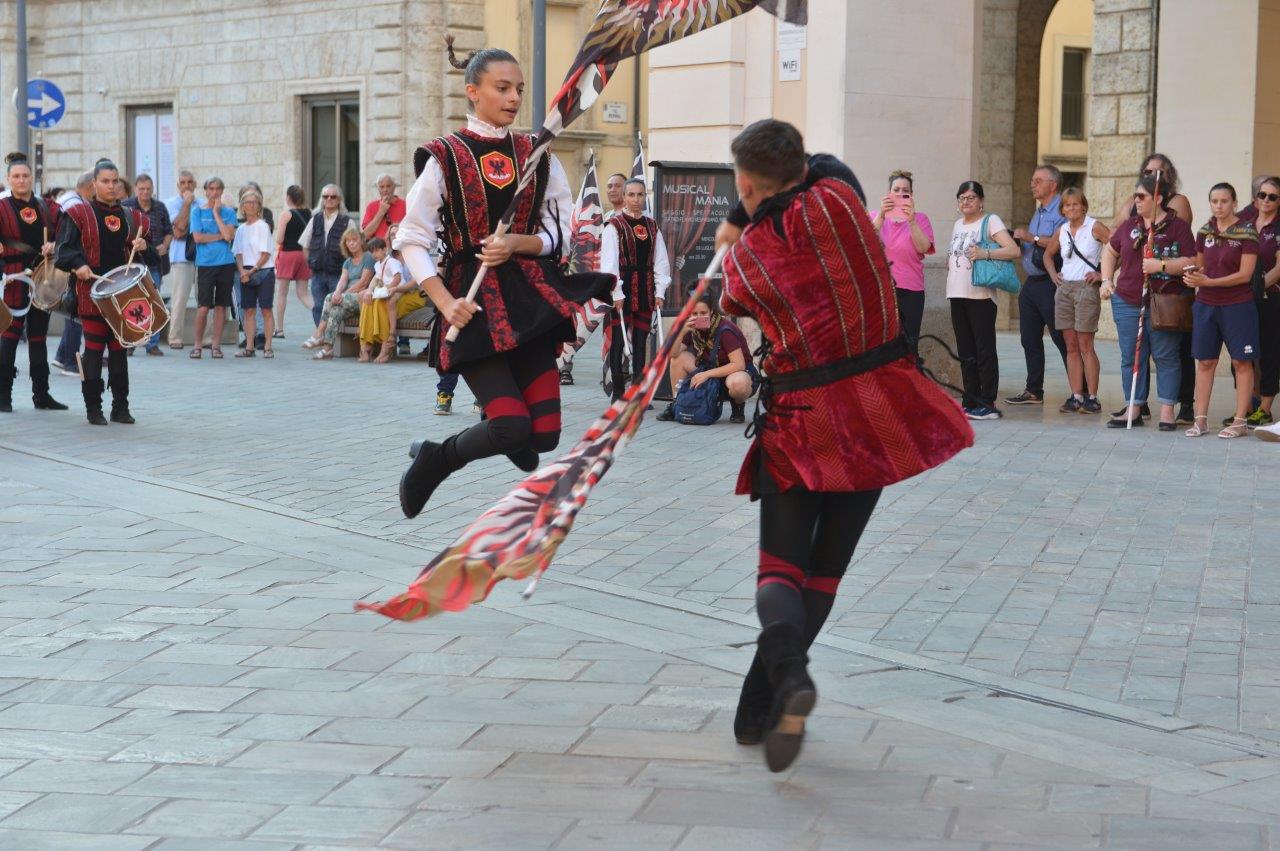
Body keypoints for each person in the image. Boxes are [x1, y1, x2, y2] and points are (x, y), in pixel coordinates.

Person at [715, 119, 972, 773]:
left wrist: (737, 225)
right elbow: (825, 164)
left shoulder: (747, 261)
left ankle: (789, 676)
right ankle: (762, 706)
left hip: (804, 420)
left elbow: (733, 302)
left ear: (747, 184)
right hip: (878, 411)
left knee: (779, 572)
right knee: (825, 571)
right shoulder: (841, 199)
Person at [393, 36, 611, 520]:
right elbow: (411, 237)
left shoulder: (538, 153)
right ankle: (436, 459)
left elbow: (560, 235)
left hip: (529, 304)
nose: (514, 98)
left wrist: (516, 243)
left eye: (519, 89)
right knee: (513, 429)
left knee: (545, 436)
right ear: (473, 92)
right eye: (502, 88)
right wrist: (444, 302)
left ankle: (498, 432)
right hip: (471, 308)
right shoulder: (444, 156)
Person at [53, 159, 150, 425]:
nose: (111, 186)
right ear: (94, 184)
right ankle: (93, 408)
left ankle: (121, 407)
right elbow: (62, 252)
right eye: (105, 181)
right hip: (91, 294)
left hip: (123, 296)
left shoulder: (131, 217)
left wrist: (143, 246)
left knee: (119, 351)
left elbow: (152, 255)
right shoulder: (79, 213)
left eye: (115, 181)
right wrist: (79, 264)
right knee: (94, 351)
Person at [1099, 173, 1195, 430]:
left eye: (1142, 196)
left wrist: (1161, 265)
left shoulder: (1178, 227)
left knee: (1166, 356)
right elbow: (1110, 251)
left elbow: (1191, 261)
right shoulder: (1130, 225)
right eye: (1135, 196)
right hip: (1128, 299)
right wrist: (1106, 280)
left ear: (1158, 198)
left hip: (1165, 300)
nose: (1136, 201)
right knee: (1131, 356)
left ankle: (1167, 411)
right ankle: (1134, 407)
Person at [1184, 183, 1259, 439]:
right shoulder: (1204, 231)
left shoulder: (1247, 232)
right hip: (1206, 305)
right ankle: (1200, 420)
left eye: (1224, 201)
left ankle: (1240, 421)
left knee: (1241, 362)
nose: (1219, 206)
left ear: (1234, 203)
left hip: (1238, 305)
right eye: (1214, 201)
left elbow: (1245, 275)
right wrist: (1193, 277)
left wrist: (1208, 282)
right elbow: (1201, 267)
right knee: (1205, 362)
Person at [946, 180, 1020, 420]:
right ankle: (970, 400)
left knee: (984, 350)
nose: (966, 202)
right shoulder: (958, 224)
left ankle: (987, 403)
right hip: (956, 293)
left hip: (980, 295)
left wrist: (984, 253)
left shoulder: (991, 220)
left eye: (971, 198)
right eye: (962, 198)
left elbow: (1013, 250)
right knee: (965, 350)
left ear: (981, 201)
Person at [0, 152, 66, 412]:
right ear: (9, 179)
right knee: (9, 336)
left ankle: (42, 395)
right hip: (14, 278)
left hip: (42, 278)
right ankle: (3, 397)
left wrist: (56, 243)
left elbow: (68, 229)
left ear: (32, 178)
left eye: (25, 175)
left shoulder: (46, 206)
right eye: (16, 176)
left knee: (38, 337)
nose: (21, 180)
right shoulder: (2, 207)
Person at [600, 178, 671, 401]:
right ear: (624, 197)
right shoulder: (614, 225)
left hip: (645, 289)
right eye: (631, 194)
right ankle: (618, 392)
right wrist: (616, 292)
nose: (636, 199)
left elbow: (661, 260)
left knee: (641, 342)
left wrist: (660, 291)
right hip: (623, 289)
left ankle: (638, 392)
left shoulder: (652, 225)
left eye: (640, 194)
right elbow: (609, 263)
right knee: (618, 342)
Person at [1005, 164, 1068, 406]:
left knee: (1061, 338)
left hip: (1052, 282)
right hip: (1031, 283)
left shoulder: (1062, 209)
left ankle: (1081, 391)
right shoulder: (1039, 211)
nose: (1033, 184)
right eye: (1032, 180)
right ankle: (1033, 390)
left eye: (1038, 180)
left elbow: (1062, 242)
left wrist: (1031, 238)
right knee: (1029, 338)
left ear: (1053, 184)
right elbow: (1033, 246)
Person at [1043, 187, 1109, 413]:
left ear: (1083, 206)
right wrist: (1054, 275)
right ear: (1062, 209)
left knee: (1086, 345)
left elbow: (1116, 249)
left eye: (1075, 204)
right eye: (1067, 205)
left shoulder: (1094, 226)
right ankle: (1076, 395)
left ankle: (1093, 397)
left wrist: (1103, 275)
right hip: (1065, 290)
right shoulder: (1062, 230)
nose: (1071, 208)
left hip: (1085, 288)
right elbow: (1047, 255)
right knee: (1070, 346)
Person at [656, 293, 758, 423]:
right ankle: (677, 404)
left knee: (738, 383)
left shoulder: (725, 329)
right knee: (678, 359)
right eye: (694, 313)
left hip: (735, 373)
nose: (699, 317)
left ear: (711, 311)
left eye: (703, 313)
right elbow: (672, 354)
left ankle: (737, 404)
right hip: (709, 370)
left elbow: (739, 364)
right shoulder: (691, 328)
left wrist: (705, 374)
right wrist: (681, 332)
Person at [871, 169, 934, 356]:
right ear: (889, 193)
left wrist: (912, 221)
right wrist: (881, 216)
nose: (900, 194)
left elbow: (923, 247)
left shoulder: (921, 219)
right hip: (882, 289)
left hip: (912, 290)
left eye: (905, 191)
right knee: (882, 343)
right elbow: (865, 242)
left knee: (909, 343)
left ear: (911, 195)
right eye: (896, 190)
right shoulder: (875, 216)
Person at [303, 226, 374, 359]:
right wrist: (337, 292)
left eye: (354, 240)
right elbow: (342, 280)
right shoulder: (347, 262)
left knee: (329, 298)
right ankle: (327, 349)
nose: (351, 243)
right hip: (348, 299)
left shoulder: (368, 257)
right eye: (348, 241)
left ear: (361, 241)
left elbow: (364, 282)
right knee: (335, 311)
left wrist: (342, 295)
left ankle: (318, 334)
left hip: (363, 299)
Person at [122, 173, 173, 356]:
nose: (145, 192)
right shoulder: (126, 206)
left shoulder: (160, 207)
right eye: (141, 189)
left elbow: (169, 231)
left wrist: (165, 246)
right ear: (136, 189)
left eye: (148, 189)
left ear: (152, 189)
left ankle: (152, 344)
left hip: (153, 263)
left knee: (154, 301)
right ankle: (131, 341)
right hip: (132, 262)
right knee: (130, 302)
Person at [189, 177, 237, 359]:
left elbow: (229, 236)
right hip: (205, 264)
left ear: (222, 191)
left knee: (221, 307)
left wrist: (216, 213)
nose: (215, 192)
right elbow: (198, 238)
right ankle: (197, 345)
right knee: (203, 307)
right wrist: (219, 236)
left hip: (225, 263)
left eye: (218, 189)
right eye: (211, 188)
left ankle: (216, 345)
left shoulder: (228, 212)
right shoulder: (197, 211)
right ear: (206, 191)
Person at [52, 170, 95, 371]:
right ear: (92, 186)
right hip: (72, 265)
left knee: (74, 313)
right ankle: (70, 360)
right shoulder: (75, 205)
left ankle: (62, 356)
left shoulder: (70, 200)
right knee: (76, 313)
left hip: (70, 263)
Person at [1247, 178, 1280, 428]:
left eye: (1272, 197)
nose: (1266, 200)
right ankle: (1248, 405)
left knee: (1269, 354)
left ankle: (1265, 409)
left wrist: (1256, 289)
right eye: (1262, 195)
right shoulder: (1246, 224)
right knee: (1245, 353)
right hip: (1244, 298)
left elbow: (1279, 268)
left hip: (1271, 299)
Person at [231, 190, 275, 359]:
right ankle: (249, 347)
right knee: (248, 310)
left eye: (254, 202)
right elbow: (238, 253)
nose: (250, 205)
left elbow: (266, 254)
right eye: (247, 202)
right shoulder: (241, 229)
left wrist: (251, 271)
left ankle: (268, 347)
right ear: (242, 206)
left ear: (259, 206)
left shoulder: (263, 226)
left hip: (263, 271)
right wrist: (242, 271)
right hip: (246, 272)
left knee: (266, 309)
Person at [301, 184, 351, 327]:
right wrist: (311, 264)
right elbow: (305, 245)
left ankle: (333, 337)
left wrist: (346, 272)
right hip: (317, 274)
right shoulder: (314, 219)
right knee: (318, 307)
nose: (329, 199)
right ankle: (320, 337)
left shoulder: (347, 221)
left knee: (336, 307)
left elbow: (354, 249)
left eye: (333, 196)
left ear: (339, 200)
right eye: (325, 196)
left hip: (338, 274)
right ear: (322, 199)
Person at [164, 170, 202, 350]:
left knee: (205, 300)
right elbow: (178, 231)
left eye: (190, 182)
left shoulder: (202, 204)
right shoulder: (171, 204)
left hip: (203, 258)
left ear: (195, 184)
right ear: (178, 185)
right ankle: (175, 337)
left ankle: (206, 338)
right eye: (183, 182)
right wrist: (186, 205)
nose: (187, 186)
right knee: (179, 299)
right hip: (181, 258)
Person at [272, 185, 313, 340]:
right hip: (304, 255)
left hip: (288, 255)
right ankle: (321, 316)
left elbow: (279, 239)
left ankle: (279, 329)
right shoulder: (309, 214)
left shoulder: (286, 214)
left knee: (282, 293)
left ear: (288, 197)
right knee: (303, 294)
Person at [356, 237, 401, 362]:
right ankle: (365, 344)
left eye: (376, 251)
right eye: (372, 251)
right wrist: (370, 291)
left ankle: (384, 345)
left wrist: (387, 288)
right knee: (366, 300)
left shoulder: (392, 262)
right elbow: (376, 279)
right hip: (383, 291)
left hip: (395, 291)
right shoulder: (377, 264)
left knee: (378, 304)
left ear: (384, 249)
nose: (374, 254)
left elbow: (397, 278)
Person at [361, 174, 406, 241]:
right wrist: (381, 212)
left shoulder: (405, 205)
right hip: (377, 247)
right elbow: (366, 235)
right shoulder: (371, 206)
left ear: (394, 187)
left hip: (398, 245)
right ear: (378, 189)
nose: (385, 190)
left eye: (388, 186)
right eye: (382, 187)